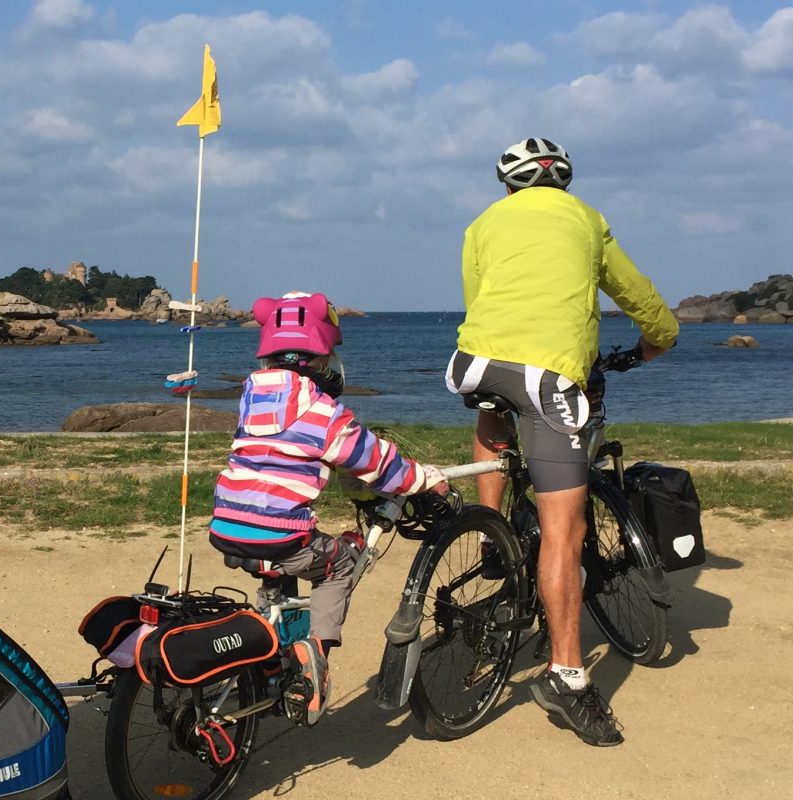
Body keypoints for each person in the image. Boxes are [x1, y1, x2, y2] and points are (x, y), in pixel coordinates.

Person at [448, 137, 679, 746]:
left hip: (474, 362)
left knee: (495, 422)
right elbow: (637, 294)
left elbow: (481, 297)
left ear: (508, 186)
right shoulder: (587, 220)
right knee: (566, 529)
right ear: (563, 184)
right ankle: (567, 678)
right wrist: (659, 338)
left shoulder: (481, 225)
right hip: (549, 376)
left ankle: (490, 537)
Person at [210, 291, 449, 725]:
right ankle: (315, 654)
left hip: (227, 523)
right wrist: (425, 478)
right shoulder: (322, 410)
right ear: (321, 357)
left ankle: (270, 662)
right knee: (337, 565)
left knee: (279, 564)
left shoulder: (251, 397)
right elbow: (376, 462)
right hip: (280, 532)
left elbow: (288, 452)